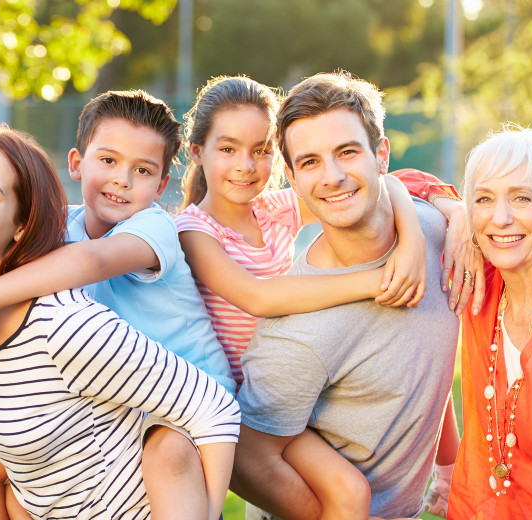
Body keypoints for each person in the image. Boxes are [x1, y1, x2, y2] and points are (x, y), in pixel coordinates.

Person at [0, 91, 235, 520]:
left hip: (190, 401)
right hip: (122, 400)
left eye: (142, 170)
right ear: (77, 163)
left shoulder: (153, 229)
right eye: (108, 161)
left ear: (162, 185)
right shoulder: (62, 228)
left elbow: (89, 261)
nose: (122, 179)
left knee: (169, 452)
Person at [176, 75, 467, 517]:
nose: (245, 165)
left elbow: (379, 185)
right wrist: (375, 283)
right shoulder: (194, 231)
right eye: (228, 149)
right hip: (232, 408)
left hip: (294, 402)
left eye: (260, 151)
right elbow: (258, 297)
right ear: (197, 152)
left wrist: (425, 229)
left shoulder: (275, 209)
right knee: (347, 497)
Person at [448, 125, 532, 519]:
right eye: (484, 199)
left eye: (521, 198)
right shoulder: (478, 286)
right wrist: (452, 212)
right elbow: (393, 183)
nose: (500, 218)